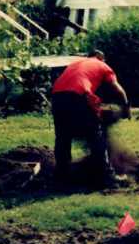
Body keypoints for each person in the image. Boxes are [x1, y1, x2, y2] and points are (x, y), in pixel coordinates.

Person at [51, 49, 131, 188]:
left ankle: (62, 176)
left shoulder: (76, 64)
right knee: (96, 136)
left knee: (63, 137)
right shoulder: (101, 65)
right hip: (78, 95)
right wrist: (126, 108)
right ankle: (106, 177)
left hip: (57, 97)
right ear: (100, 57)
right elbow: (118, 89)